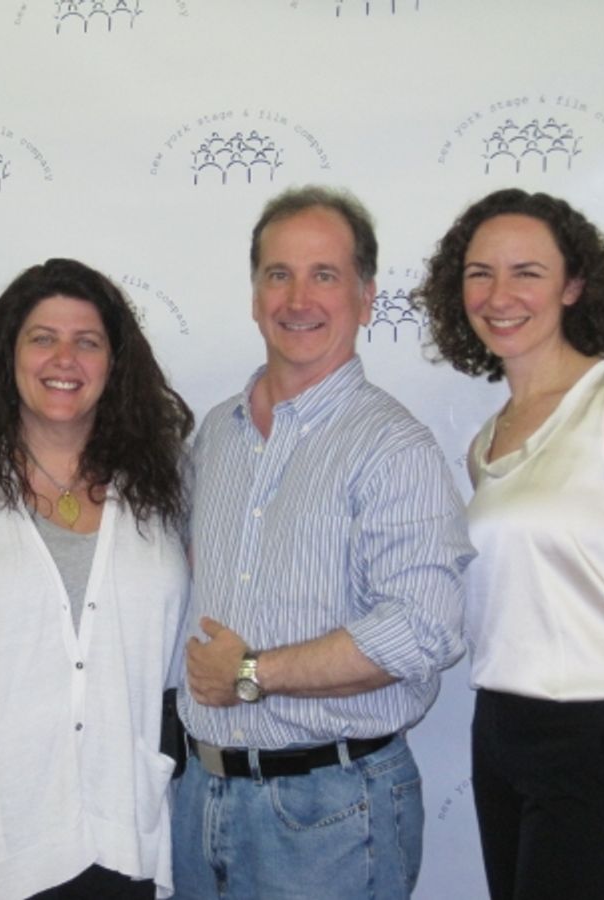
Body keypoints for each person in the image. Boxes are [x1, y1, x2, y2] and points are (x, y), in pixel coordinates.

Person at [173, 185, 474, 900]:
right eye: (278, 274)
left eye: (325, 275)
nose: (298, 298)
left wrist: (252, 672)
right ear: (255, 295)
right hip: (200, 797)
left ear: (366, 299)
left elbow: (423, 631)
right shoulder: (215, 436)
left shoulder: (393, 448)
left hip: (331, 812)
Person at [0, 258, 193, 900]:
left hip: (119, 829)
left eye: (88, 342)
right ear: (10, 354)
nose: (64, 359)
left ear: (115, 363)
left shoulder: (162, 486)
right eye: (42, 338)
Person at [416, 188, 604, 900]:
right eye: (480, 273)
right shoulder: (485, 444)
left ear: (573, 286)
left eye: (527, 272)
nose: (500, 295)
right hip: (501, 727)